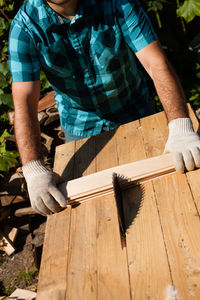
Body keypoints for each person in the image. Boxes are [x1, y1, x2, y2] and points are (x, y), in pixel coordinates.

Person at [9, 0, 200, 215]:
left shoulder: (117, 2)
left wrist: (180, 127)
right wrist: (33, 169)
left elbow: (155, 62)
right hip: (79, 126)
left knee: (166, 200)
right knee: (94, 216)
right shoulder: (25, 27)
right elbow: (24, 100)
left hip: (135, 109)